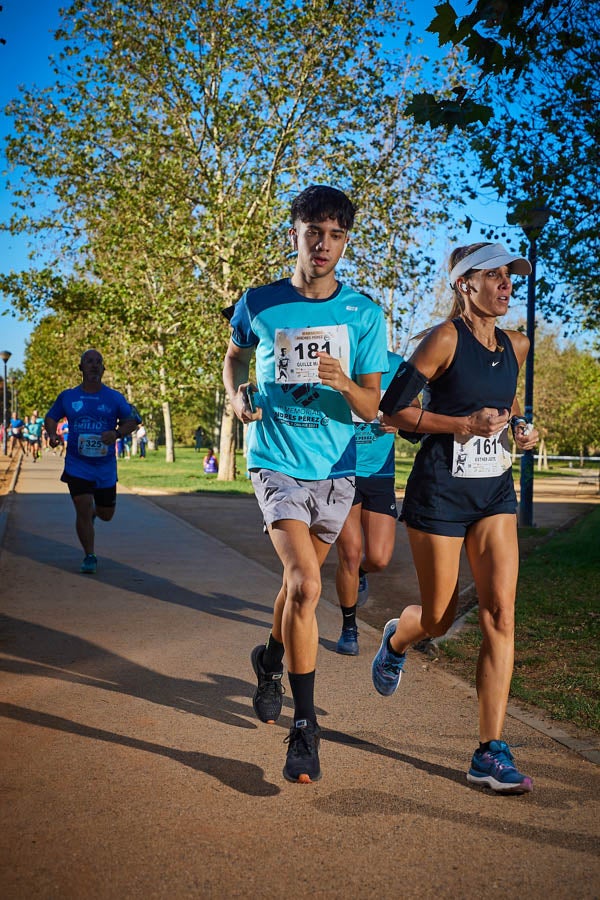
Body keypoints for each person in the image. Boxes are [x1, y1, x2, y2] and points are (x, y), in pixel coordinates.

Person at [223, 184, 388, 783]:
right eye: (312, 231)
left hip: (336, 469)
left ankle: (268, 659)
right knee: (303, 583)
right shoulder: (259, 301)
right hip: (276, 460)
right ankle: (306, 726)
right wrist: (235, 396)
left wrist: (344, 382)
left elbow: (372, 407)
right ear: (293, 232)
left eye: (336, 235)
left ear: (345, 242)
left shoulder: (365, 314)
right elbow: (234, 356)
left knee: (302, 589)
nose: (323, 245)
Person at [372, 241, 539, 794]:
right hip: (440, 493)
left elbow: (510, 409)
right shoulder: (443, 339)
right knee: (440, 618)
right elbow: (392, 409)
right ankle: (399, 638)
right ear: (465, 284)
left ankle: (489, 750)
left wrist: (522, 430)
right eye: (493, 276)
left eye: (510, 277)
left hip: (493, 493)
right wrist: (459, 425)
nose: (506, 285)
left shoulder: (517, 345)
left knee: (500, 613)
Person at [333, 349, 404, 656]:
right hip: (341, 468)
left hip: (379, 472)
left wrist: (398, 421)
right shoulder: (336, 361)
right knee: (350, 553)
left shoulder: (395, 364)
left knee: (378, 558)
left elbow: (412, 407)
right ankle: (349, 627)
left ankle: (361, 573)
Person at [45, 349, 140, 574]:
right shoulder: (68, 397)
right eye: (89, 361)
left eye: (98, 362)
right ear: (81, 368)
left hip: (105, 467)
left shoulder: (114, 398)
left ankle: (95, 515)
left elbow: (132, 421)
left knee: (106, 515)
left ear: (103, 369)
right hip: (77, 464)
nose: (94, 365)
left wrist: (116, 434)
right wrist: (52, 434)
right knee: (82, 506)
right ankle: (90, 555)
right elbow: (51, 417)